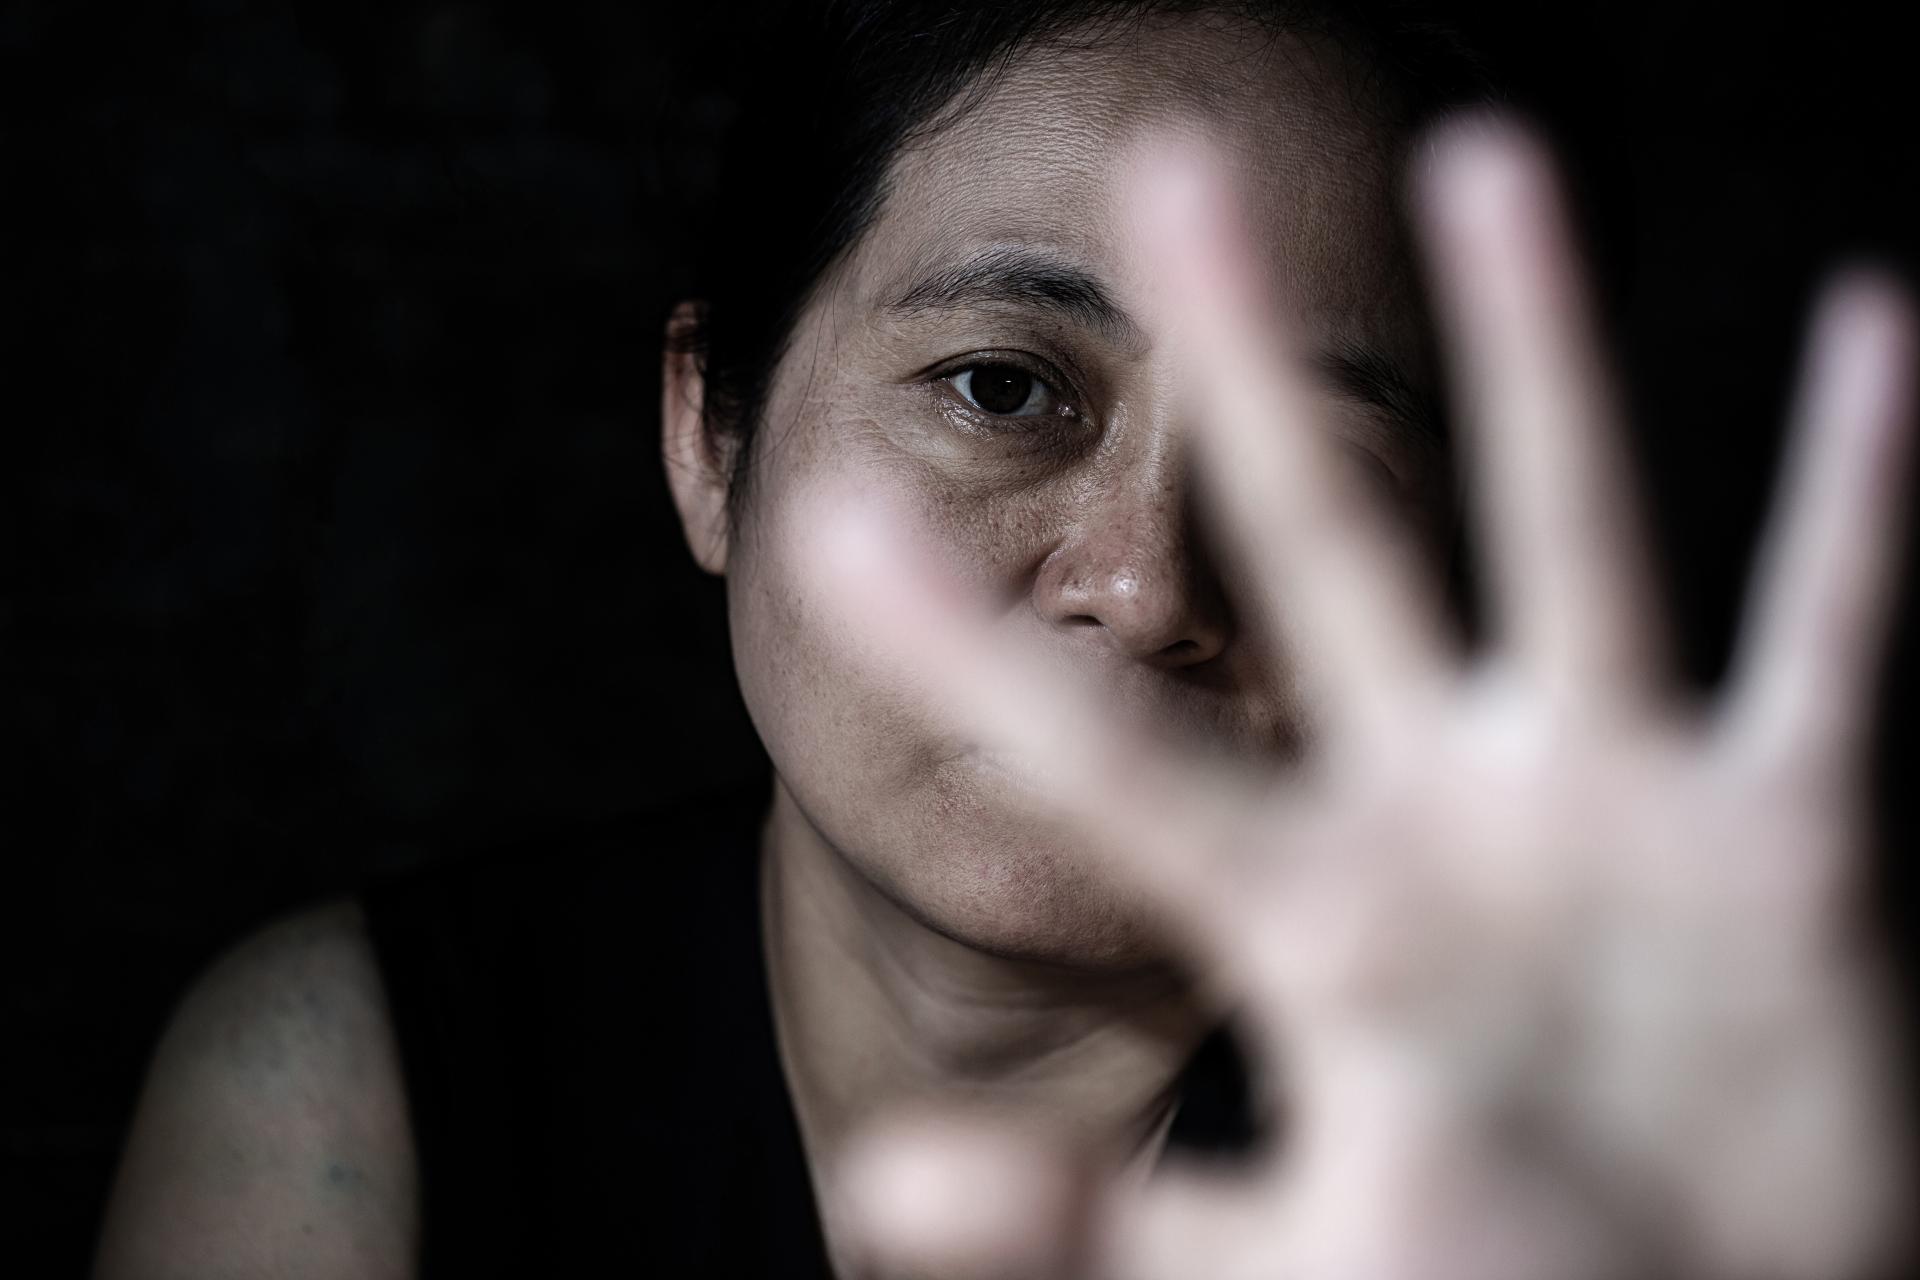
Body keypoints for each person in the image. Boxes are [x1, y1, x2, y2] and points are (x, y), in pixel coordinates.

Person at [91, 2, 1916, 1277]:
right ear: (708, 435)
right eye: (1003, 388)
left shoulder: (1556, 1164)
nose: (1142, 586)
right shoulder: (352, 1088)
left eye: (1307, 484)